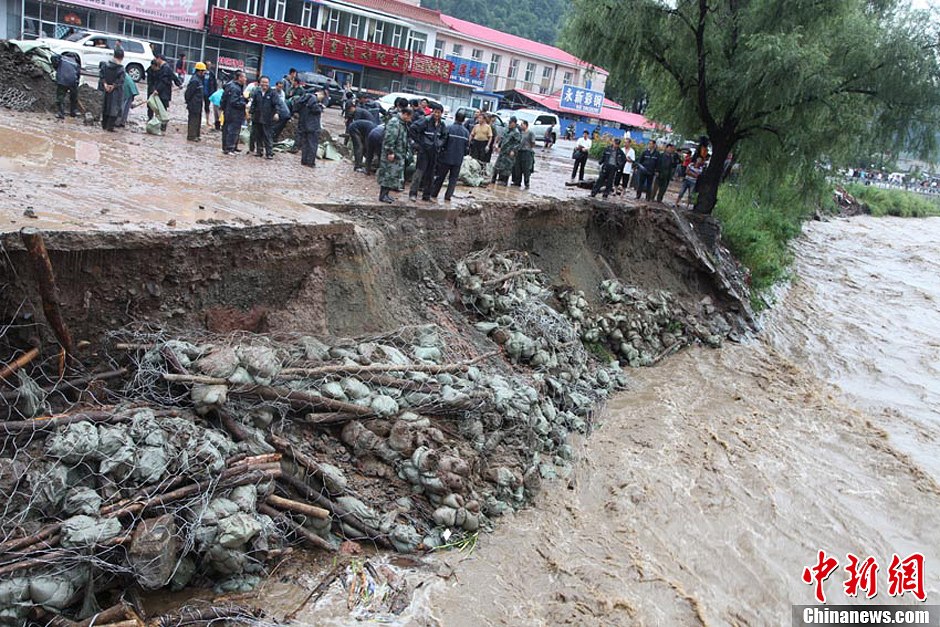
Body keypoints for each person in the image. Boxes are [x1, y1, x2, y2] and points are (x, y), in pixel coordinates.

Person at [408, 103, 447, 201]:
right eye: (435, 112)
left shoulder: (442, 125)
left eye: (439, 113)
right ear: (432, 112)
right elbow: (413, 129)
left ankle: (426, 195)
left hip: (434, 152)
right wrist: (419, 143)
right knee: (419, 172)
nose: (436, 115)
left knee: (430, 174)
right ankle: (413, 193)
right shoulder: (425, 121)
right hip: (424, 151)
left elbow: (444, 136)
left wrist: (439, 143)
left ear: (441, 114)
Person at [430, 110, 470, 201]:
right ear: (464, 120)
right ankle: (448, 196)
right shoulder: (466, 132)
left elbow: (442, 142)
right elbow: (467, 148)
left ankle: (434, 193)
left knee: (440, 177)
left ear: (455, 117)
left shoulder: (449, 128)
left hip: (446, 158)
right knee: (453, 179)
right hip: (458, 159)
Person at [378, 107, 412, 203]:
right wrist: (390, 152)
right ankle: (382, 195)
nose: (410, 120)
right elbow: (390, 138)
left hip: (398, 154)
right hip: (392, 154)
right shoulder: (395, 122)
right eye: (409, 117)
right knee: (387, 174)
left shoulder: (402, 123)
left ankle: (386, 194)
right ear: (405, 114)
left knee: (392, 175)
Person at [250, 76, 278, 159]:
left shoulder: (273, 93)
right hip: (257, 117)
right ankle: (259, 151)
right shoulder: (256, 92)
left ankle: (269, 153)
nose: (264, 84)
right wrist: (250, 113)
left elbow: (277, 104)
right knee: (258, 135)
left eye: (266, 82)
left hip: (268, 117)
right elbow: (253, 104)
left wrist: (276, 113)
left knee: (267, 135)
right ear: (260, 83)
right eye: (263, 82)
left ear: (269, 83)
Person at [295, 88, 325, 167]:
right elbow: (315, 109)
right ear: (319, 93)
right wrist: (320, 108)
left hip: (304, 124)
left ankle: (304, 160)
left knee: (305, 143)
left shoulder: (305, 98)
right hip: (313, 125)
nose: (322, 98)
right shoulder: (313, 98)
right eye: (322, 96)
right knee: (313, 144)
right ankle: (311, 162)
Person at [220, 71, 248, 154]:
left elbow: (224, 99)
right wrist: (244, 103)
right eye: (244, 77)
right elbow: (234, 101)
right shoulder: (235, 88)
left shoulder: (233, 86)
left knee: (229, 130)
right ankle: (229, 148)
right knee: (232, 131)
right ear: (239, 78)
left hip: (229, 111)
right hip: (234, 112)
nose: (245, 79)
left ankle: (230, 147)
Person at [98, 49, 126, 132]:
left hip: (106, 89)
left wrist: (105, 85)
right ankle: (110, 128)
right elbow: (121, 81)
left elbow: (101, 75)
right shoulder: (121, 69)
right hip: (116, 91)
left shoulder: (106, 65)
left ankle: (104, 126)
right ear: (122, 57)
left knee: (105, 106)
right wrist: (113, 86)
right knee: (114, 108)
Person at [492, 116, 521, 186]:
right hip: (503, 151)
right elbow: (502, 139)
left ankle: (504, 181)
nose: (509, 124)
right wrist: (498, 146)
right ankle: (494, 179)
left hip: (509, 152)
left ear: (514, 123)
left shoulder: (516, 132)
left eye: (510, 123)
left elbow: (518, 143)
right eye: (509, 122)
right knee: (498, 165)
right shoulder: (507, 130)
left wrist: (513, 150)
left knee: (506, 167)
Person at [148, 55, 174, 132]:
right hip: (160, 93)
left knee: (162, 110)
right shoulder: (164, 68)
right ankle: (158, 126)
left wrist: (157, 90)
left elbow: (164, 81)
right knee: (159, 110)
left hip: (163, 94)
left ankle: (162, 127)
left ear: (159, 59)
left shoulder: (165, 68)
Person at [52, 53, 80, 119]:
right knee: (73, 97)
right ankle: (73, 112)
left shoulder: (61, 59)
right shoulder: (76, 63)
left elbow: (53, 57)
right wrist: (76, 84)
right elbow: (78, 75)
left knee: (60, 96)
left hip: (62, 80)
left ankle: (61, 113)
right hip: (72, 81)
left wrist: (55, 67)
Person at [184, 62, 206, 141]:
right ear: (199, 71)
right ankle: (191, 136)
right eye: (203, 71)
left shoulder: (199, 80)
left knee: (197, 119)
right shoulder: (195, 80)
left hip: (198, 103)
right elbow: (189, 92)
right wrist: (188, 101)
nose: (204, 73)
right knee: (193, 120)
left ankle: (196, 135)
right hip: (194, 103)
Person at [512, 120, 536, 188]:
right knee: (518, 167)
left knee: (526, 168)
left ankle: (526, 183)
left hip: (527, 152)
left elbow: (533, 143)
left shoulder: (530, 133)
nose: (521, 126)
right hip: (519, 151)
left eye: (522, 125)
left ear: (526, 125)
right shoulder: (521, 133)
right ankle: (517, 182)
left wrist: (529, 148)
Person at [203, 61, 219, 129]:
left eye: (210, 64)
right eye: (208, 65)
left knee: (207, 106)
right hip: (201, 92)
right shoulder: (201, 73)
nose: (209, 66)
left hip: (208, 93)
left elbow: (215, 83)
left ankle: (207, 120)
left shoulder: (211, 74)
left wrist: (214, 92)